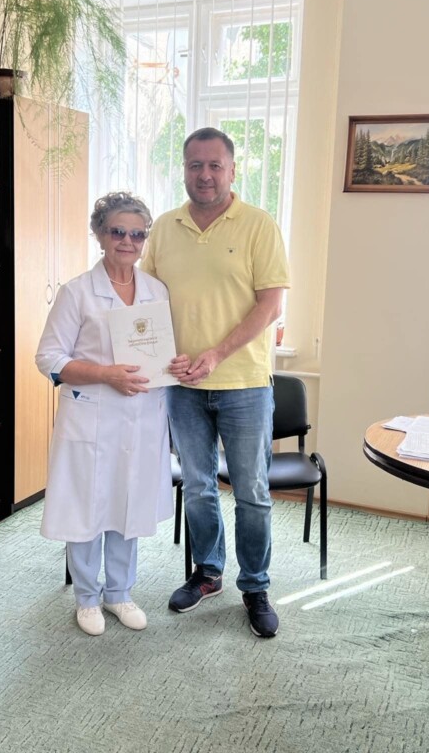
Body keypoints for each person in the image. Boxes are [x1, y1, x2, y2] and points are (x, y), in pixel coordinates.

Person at [141, 128, 290, 638]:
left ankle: (256, 586)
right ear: (183, 169)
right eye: (194, 165)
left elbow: (270, 305)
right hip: (181, 385)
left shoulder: (258, 225)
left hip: (244, 383)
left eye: (214, 165)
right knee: (199, 487)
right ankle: (208, 572)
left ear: (232, 170)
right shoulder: (164, 228)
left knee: (251, 491)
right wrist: (158, 358)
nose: (204, 175)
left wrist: (216, 355)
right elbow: (147, 301)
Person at [36, 192, 184, 636]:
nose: (127, 241)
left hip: (142, 418)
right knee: (86, 507)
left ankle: (119, 593)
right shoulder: (77, 292)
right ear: (99, 234)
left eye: (137, 234)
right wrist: (105, 374)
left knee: (127, 503)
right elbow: (49, 358)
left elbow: (159, 351)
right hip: (92, 416)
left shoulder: (156, 291)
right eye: (117, 231)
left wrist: (174, 364)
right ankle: (87, 598)